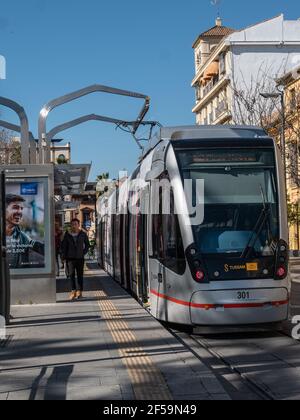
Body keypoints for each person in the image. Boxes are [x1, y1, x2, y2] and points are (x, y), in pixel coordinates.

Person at [5, 194, 45, 269]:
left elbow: (40, 247)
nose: (20, 212)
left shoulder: (23, 237)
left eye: (21, 208)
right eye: (15, 207)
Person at [61, 219, 90, 301]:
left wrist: (83, 253)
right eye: (72, 224)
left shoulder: (83, 234)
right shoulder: (67, 235)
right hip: (70, 259)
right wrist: (63, 257)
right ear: (71, 225)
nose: (74, 225)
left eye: (75, 224)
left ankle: (80, 292)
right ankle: (73, 291)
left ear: (78, 224)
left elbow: (87, 245)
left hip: (80, 258)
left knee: (80, 275)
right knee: (71, 275)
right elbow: (63, 247)